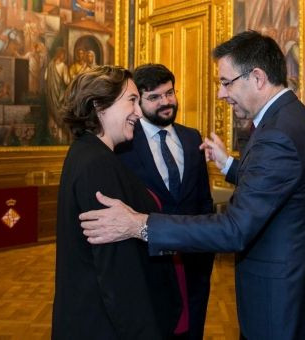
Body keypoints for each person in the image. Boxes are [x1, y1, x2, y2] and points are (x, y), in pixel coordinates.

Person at [80, 30, 305, 340]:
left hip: (284, 298)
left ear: (257, 77)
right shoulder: (290, 120)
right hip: (296, 285)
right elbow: (277, 185)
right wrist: (230, 166)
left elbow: (235, 228)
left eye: (226, 82)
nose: (221, 94)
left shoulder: (278, 134)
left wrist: (140, 224)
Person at [51, 66, 182, 339]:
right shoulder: (97, 163)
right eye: (132, 100)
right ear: (100, 106)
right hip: (105, 325)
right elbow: (116, 268)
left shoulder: (88, 153)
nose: (138, 111)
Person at [114, 63, 214, 340]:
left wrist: (206, 253)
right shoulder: (124, 144)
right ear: (139, 101)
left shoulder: (191, 136)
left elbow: (203, 200)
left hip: (193, 259)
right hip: (149, 261)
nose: (166, 102)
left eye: (169, 93)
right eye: (155, 97)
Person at [45, 47, 71, 144]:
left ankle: (53, 136)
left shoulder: (50, 65)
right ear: (60, 54)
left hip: (51, 95)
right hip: (60, 94)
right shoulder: (63, 66)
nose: (64, 56)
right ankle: (61, 138)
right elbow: (67, 81)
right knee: (60, 113)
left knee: (52, 114)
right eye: (63, 54)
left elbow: (45, 78)